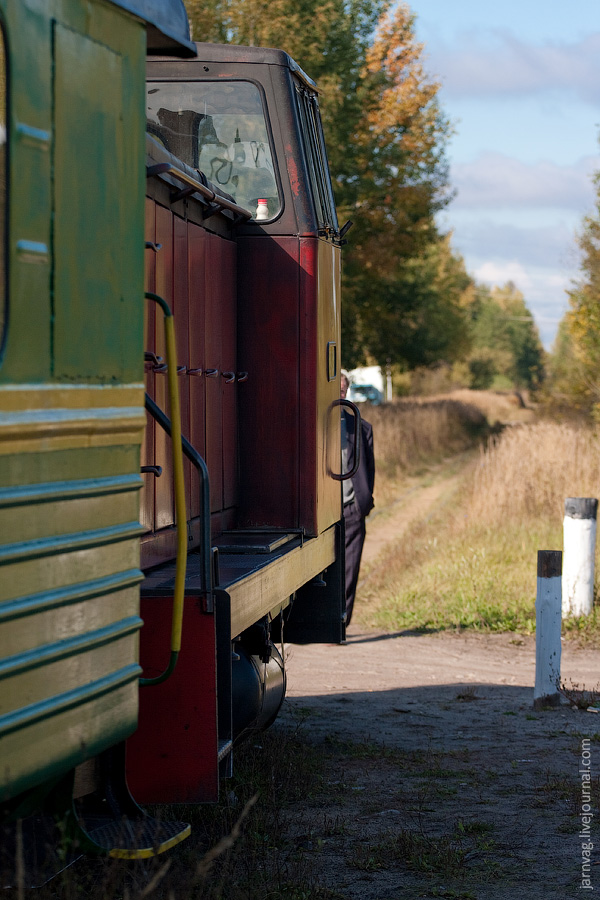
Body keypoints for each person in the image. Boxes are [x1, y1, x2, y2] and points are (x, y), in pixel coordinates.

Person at [340, 371, 375, 627]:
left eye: (343, 391)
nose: (339, 395)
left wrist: (364, 502)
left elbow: (369, 469)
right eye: (334, 390)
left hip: (351, 508)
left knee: (350, 569)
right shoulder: (312, 426)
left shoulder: (360, 427)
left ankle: (341, 624)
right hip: (320, 513)